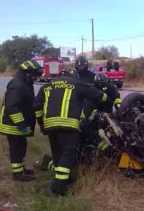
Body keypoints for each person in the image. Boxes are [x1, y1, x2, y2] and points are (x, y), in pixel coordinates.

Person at [34, 68, 112, 196]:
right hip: (68, 124)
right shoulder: (76, 83)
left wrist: (42, 125)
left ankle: (64, 179)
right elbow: (98, 95)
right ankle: (57, 188)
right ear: (74, 76)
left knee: (58, 153)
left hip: (50, 125)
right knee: (69, 153)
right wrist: (109, 102)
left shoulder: (46, 86)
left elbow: (36, 107)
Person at [0, 60, 43, 181]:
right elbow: (12, 107)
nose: (36, 77)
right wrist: (21, 124)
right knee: (17, 149)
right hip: (12, 125)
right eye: (35, 74)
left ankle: (20, 169)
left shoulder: (25, 83)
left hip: (17, 124)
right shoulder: (17, 85)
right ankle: (17, 175)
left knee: (21, 146)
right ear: (27, 73)